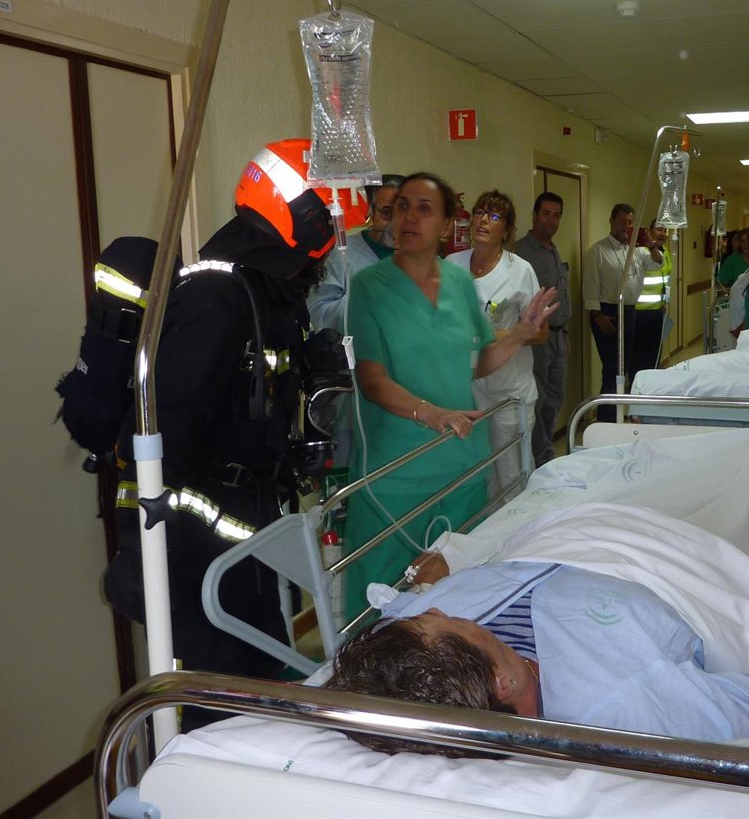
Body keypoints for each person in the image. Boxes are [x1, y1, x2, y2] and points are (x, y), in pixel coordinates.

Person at [104, 138, 333, 726]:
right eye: (331, 213)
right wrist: (143, 546)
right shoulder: (217, 295)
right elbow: (160, 429)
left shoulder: (266, 291)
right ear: (303, 218)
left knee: (260, 675)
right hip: (198, 546)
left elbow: (244, 403)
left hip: (246, 530)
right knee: (218, 696)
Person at [326, 556, 749, 756]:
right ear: (503, 683)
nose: (439, 609)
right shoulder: (628, 705)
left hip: (548, 541)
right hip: (654, 554)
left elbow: (404, 630)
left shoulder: (410, 667)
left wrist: (432, 584)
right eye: (448, 621)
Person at [344, 173, 557, 619]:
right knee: (379, 603)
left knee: (456, 597)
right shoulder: (369, 287)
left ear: (445, 226)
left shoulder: (458, 284)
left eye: (424, 209)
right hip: (397, 468)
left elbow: (477, 360)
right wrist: (429, 412)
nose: (409, 218)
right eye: (402, 207)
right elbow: (373, 380)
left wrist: (521, 333)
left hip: (461, 465)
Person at [445, 190, 544, 501]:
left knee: (512, 478)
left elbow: (540, 332)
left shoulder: (520, 271)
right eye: (479, 212)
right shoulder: (451, 265)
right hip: (468, 392)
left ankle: (519, 530)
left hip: (508, 393)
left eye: (495, 216)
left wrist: (498, 334)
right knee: (480, 477)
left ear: (507, 230)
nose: (484, 220)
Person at [583, 203, 662, 420]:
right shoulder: (598, 251)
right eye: (622, 221)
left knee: (625, 367)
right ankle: (607, 419)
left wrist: (650, 244)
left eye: (630, 222)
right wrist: (597, 315)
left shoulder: (637, 251)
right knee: (612, 368)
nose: (626, 226)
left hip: (630, 313)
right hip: (606, 314)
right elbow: (590, 286)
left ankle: (620, 413)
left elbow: (657, 262)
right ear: (611, 221)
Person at [306, 173, 404, 333]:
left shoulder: (422, 257)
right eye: (387, 213)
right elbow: (319, 315)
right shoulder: (340, 253)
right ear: (370, 212)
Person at [514, 192, 570, 467]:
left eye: (556, 215)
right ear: (535, 215)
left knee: (554, 399)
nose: (551, 220)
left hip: (558, 337)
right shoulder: (521, 253)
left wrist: (564, 335)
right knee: (537, 399)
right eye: (546, 214)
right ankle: (538, 458)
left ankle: (545, 452)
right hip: (537, 340)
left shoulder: (552, 250)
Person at [632, 219, 671, 374]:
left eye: (665, 230)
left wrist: (663, 303)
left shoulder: (665, 251)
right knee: (638, 357)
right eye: (659, 229)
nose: (663, 233)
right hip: (639, 312)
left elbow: (665, 280)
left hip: (657, 311)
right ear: (650, 230)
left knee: (654, 354)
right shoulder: (641, 251)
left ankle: (652, 383)